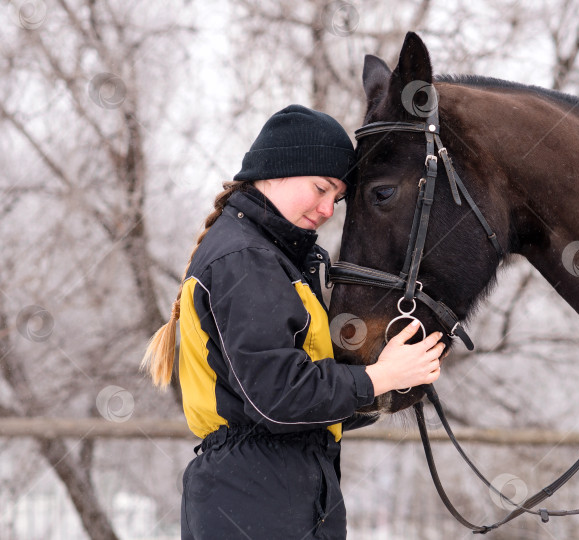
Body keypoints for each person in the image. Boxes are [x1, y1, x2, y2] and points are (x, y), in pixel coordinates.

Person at [140, 104, 445, 539]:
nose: (326, 209)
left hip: (282, 492)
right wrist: (378, 377)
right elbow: (278, 397)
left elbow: (301, 402)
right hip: (253, 500)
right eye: (320, 188)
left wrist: (390, 385)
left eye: (336, 199)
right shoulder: (245, 260)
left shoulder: (274, 260)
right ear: (275, 171)